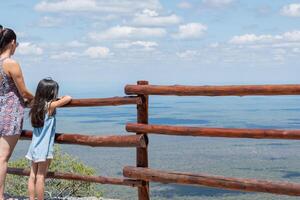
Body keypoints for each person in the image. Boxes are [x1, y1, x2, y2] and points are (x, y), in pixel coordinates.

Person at [0, 27, 33, 200]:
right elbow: (25, 93)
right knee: (3, 157)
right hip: (9, 115)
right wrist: (41, 101)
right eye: (17, 44)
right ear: (12, 43)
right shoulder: (10, 63)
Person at [25, 78, 72, 200]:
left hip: (34, 145)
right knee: (41, 176)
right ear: (51, 93)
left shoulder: (35, 105)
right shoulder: (50, 106)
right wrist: (60, 98)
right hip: (44, 147)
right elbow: (68, 98)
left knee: (32, 175)